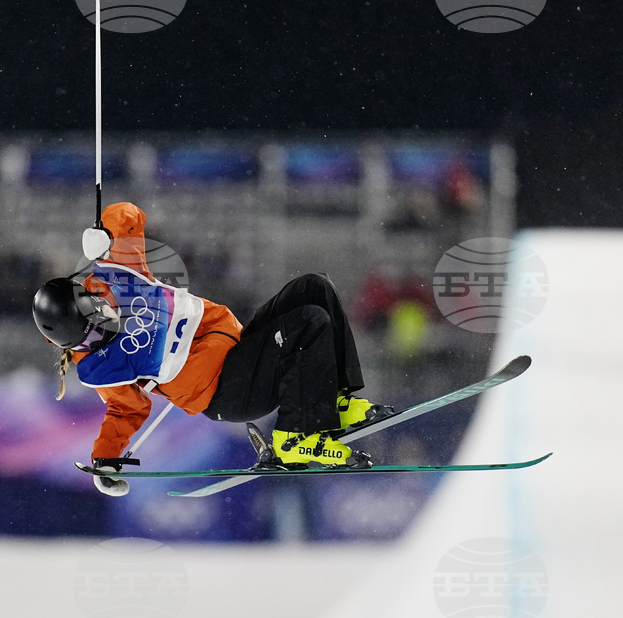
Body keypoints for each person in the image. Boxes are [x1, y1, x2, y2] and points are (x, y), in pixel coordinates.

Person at [32, 202, 390, 496]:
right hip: (227, 393)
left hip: (238, 345)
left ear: (91, 297)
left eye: (99, 322)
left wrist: (104, 234)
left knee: (315, 287)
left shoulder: (117, 273)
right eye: (88, 340)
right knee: (309, 322)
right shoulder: (100, 365)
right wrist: (105, 458)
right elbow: (125, 410)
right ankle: (294, 438)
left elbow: (130, 215)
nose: (101, 334)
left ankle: (334, 403)